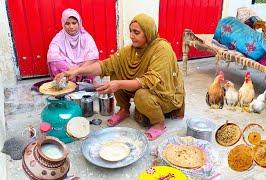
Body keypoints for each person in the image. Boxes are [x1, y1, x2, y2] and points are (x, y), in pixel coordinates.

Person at [55, 13, 185, 141]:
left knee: (141, 95)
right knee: (115, 71)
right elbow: (105, 65)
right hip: (144, 87)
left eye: (136, 32)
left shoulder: (162, 49)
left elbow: (149, 80)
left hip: (165, 95)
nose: (131, 36)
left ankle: (159, 124)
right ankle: (124, 110)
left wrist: (118, 84)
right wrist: (76, 72)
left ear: (148, 32)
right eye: (130, 31)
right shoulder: (131, 50)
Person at [47, 8, 99, 82]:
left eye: (74, 23)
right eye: (67, 23)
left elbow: (93, 55)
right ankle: (66, 82)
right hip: (67, 70)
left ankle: (86, 82)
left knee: (93, 62)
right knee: (53, 60)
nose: (71, 27)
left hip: (82, 69)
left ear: (79, 23)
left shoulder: (85, 36)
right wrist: (69, 69)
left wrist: (78, 70)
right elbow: (53, 54)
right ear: (63, 24)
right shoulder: (59, 37)